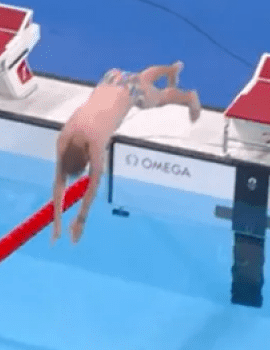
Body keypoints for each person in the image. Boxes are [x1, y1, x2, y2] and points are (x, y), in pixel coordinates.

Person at [51, 62, 201, 244]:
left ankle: (189, 97)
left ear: (85, 159)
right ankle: (171, 70)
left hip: (130, 90)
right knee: (142, 79)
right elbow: (60, 180)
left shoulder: (95, 142)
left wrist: (80, 220)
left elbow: (93, 184)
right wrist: (57, 223)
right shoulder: (65, 135)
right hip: (112, 78)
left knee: (158, 99)